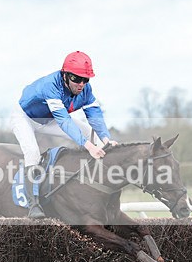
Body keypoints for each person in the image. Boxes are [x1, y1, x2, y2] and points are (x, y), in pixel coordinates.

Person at [11, 51, 115, 219]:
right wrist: (89, 147)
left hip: (48, 119)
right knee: (32, 152)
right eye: (76, 78)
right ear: (65, 75)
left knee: (90, 133)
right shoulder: (51, 86)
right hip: (25, 118)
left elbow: (94, 116)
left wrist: (106, 139)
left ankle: (97, 185)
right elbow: (64, 121)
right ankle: (33, 205)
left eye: (85, 79)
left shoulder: (86, 90)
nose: (81, 84)